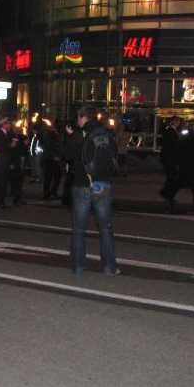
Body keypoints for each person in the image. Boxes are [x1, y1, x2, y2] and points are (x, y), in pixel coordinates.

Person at [65, 107, 120, 276]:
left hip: (83, 185)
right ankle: (110, 267)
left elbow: (66, 154)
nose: (77, 122)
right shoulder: (106, 134)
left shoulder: (79, 134)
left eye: (78, 119)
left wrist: (69, 136)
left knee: (80, 229)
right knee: (105, 228)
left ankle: (79, 266)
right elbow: (115, 156)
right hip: (103, 184)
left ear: (83, 118)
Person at [167, 122, 194, 206]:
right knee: (192, 183)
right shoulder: (193, 141)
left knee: (183, 182)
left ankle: (171, 195)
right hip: (192, 165)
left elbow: (178, 150)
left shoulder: (184, 140)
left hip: (185, 164)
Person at [158, 117, 180, 205]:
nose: (178, 124)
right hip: (170, 159)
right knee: (172, 177)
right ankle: (167, 194)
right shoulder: (171, 132)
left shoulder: (169, 131)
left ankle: (167, 193)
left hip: (168, 158)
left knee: (170, 177)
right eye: (177, 122)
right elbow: (172, 146)